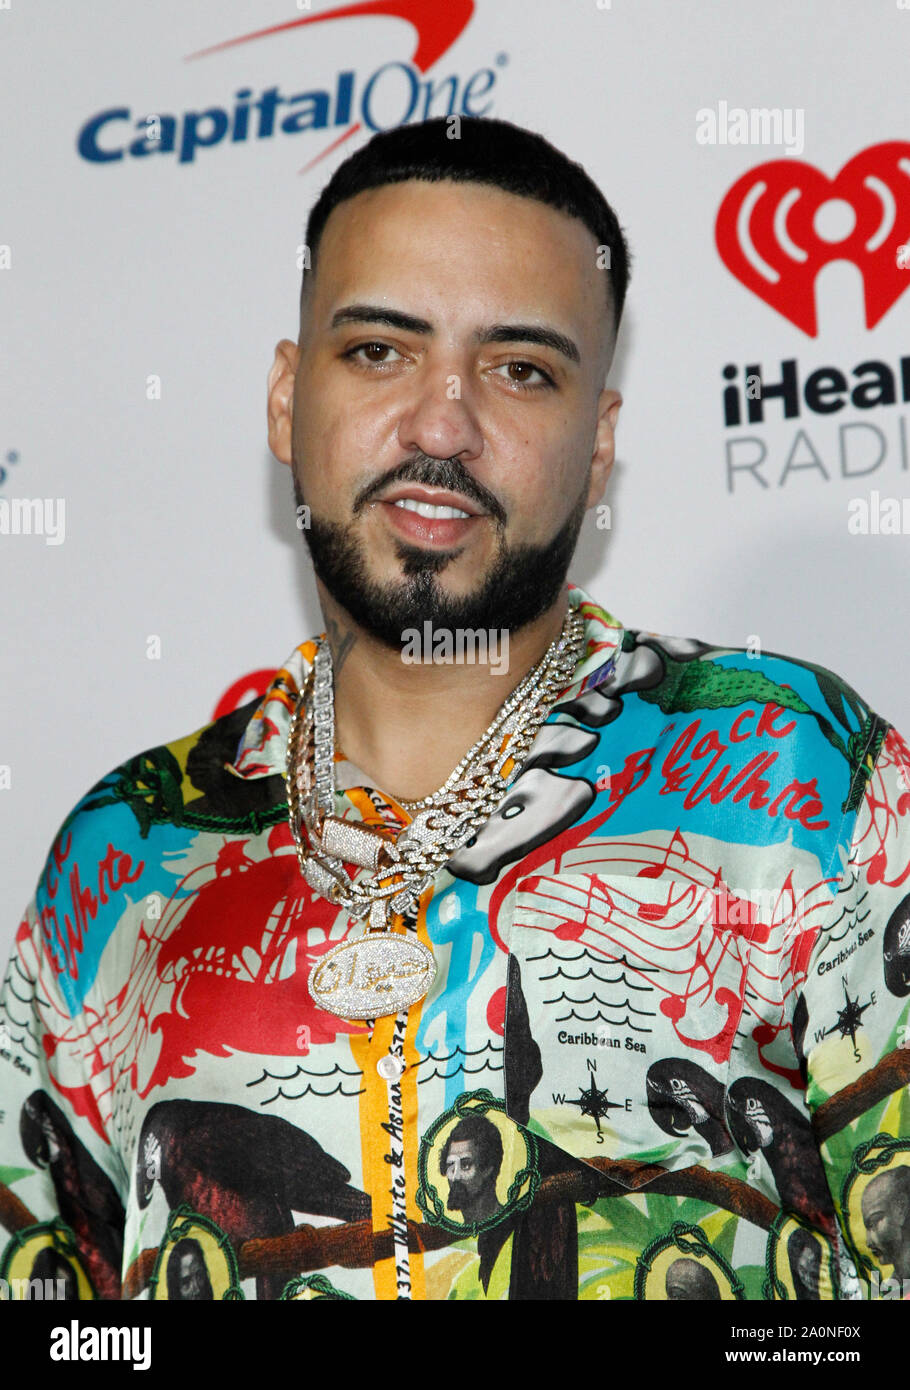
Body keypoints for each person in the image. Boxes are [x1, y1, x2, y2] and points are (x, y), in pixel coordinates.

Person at [1, 115, 909, 1302]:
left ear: (598, 448)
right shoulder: (126, 850)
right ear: (286, 398)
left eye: (520, 368)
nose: (440, 426)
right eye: (379, 351)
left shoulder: (794, 768)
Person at [439, 1114, 504, 1226]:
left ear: (488, 1168)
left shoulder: (510, 1225)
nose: (456, 1177)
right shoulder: (452, 1237)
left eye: (465, 1165)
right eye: (451, 1166)